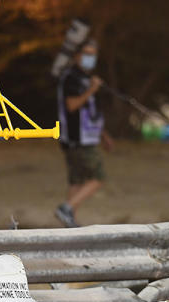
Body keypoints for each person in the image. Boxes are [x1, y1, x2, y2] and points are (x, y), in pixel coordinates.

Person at [55, 39, 113, 228]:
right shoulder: (71, 78)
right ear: (77, 55)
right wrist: (92, 90)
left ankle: (69, 224)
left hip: (87, 137)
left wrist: (103, 135)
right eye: (86, 53)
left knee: (77, 181)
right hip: (77, 139)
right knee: (98, 177)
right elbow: (72, 105)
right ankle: (66, 208)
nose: (90, 58)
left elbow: (90, 111)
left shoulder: (85, 78)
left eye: (93, 54)